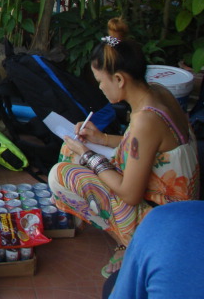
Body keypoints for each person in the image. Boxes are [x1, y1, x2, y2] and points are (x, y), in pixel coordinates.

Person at [48, 17, 199, 278]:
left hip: (164, 220)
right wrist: (100, 138)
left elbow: (130, 194)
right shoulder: (158, 94)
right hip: (172, 200)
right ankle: (96, 220)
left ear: (118, 79)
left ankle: (131, 242)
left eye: (100, 81)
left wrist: (88, 156)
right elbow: (148, 148)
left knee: (60, 175)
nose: (100, 87)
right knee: (70, 150)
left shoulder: (145, 120)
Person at [104, 201, 204, 298]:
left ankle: (128, 250)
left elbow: (131, 197)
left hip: (160, 214)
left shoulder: (164, 220)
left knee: (114, 282)